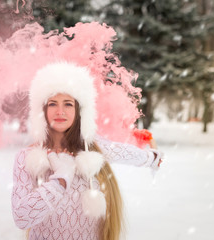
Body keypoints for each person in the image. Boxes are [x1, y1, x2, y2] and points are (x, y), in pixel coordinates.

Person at [11, 62, 163, 240]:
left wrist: (151, 157)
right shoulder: (26, 158)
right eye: (52, 104)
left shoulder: (93, 149)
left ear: (80, 111)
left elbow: (125, 152)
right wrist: (60, 179)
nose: (60, 111)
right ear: (42, 110)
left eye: (68, 104)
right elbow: (21, 217)